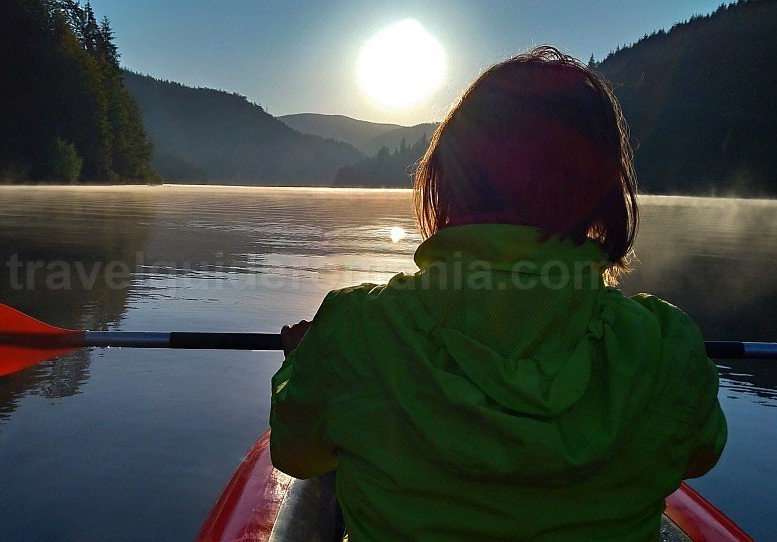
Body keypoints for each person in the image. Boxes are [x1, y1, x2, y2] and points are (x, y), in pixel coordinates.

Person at [270, 46, 727, 541]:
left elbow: (296, 453)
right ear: (602, 192)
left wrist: (302, 362)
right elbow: (697, 454)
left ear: (448, 178)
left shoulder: (354, 330)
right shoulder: (663, 347)